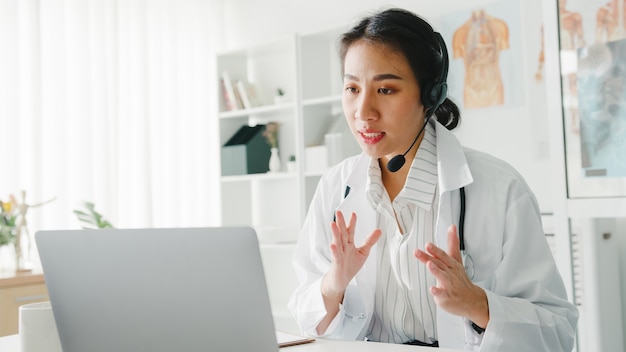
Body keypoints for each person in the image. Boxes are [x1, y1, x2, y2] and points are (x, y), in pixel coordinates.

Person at [287, 8, 578, 351]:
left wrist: (477, 304)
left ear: (431, 96)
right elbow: (306, 320)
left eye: (385, 90)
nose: (363, 112)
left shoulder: (500, 189)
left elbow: (558, 332)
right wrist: (333, 284)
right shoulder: (335, 187)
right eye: (352, 88)